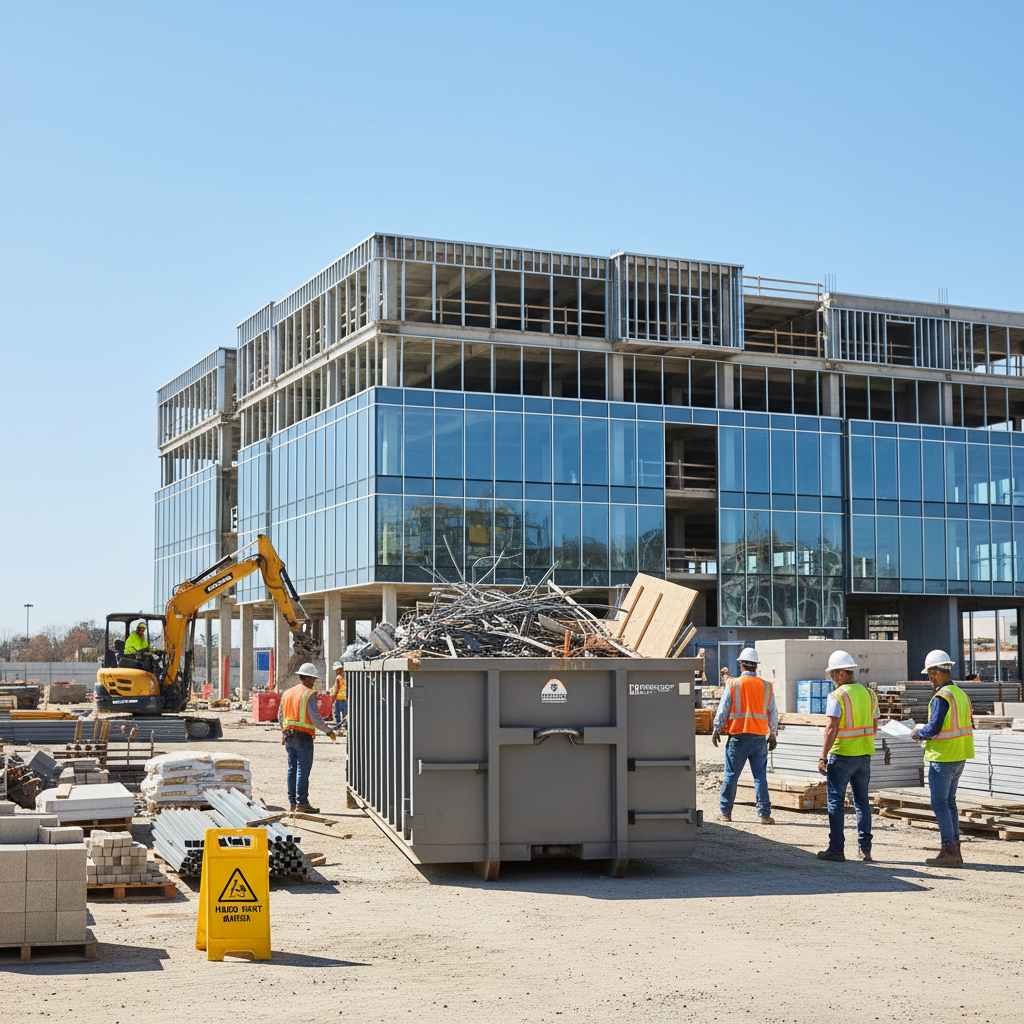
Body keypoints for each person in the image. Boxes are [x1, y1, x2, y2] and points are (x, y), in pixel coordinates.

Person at [911, 650, 974, 867]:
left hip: (943, 756)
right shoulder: (961, 694)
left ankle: (949, 850)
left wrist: (917, 733)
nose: (929, 679)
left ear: (936, 673)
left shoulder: (942, 696)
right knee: (950, 803)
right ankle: (954, 848)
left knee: (939, 803)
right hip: (959, 755)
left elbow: (934, 728)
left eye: (929, 675)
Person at [816, 650, 879, 862]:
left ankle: (836, 849)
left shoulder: (837, 696)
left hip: (842, 755)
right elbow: (875, 724)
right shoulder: (870, 694)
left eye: (833, 674)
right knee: (862, 803)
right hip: (864, 757)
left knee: (835, 803)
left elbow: (831, 728)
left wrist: (823, 756)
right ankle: (865, 849)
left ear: (841, 673)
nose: (832, 679)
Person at [712, 647, 778, 825]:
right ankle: (764, 815)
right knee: (760, 777)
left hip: (738, 737)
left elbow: (723, 708)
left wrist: (716, 728)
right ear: (756, 666)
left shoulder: (733, 684)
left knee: (731, 776)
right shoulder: (766, 686)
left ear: (741, 665)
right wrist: (773, 734)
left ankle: (725, 812)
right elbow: (773, 712)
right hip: (758, 738)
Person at [277, 662, 336, 813]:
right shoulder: (309, 694)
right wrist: (328, 731)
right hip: (303, 737)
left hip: (289, 735)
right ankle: (301, 803)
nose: (314, 682)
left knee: (292, 769)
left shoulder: (287, 693)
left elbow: (280, 716)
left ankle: (293, 803)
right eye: (314, 679)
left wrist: (284, 731)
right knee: (303, 770)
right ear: (308, 678)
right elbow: (315, 717)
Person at [331, 660, 347, 727]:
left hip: (338, 698)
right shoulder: (344, 678)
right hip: (344, 698)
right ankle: (345, 725)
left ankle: (338, 725)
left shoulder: (338, 678)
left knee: (336, 713)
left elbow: (337, 688)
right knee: (344, 713)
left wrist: (334, 696)